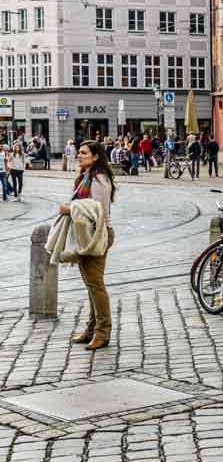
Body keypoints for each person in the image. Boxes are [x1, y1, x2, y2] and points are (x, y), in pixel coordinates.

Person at [60, 141, 117, 351]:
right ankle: (92, 328)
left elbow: (98, 211)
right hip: (87, 235)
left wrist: (70, 209)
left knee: (95, 284)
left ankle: (103, 331)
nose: (79, 156)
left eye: (84, 153)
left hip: (98, 235)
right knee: (90, 284)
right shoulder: (87, 175)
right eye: (79, 152)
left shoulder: (99, 178)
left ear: (95, 156)